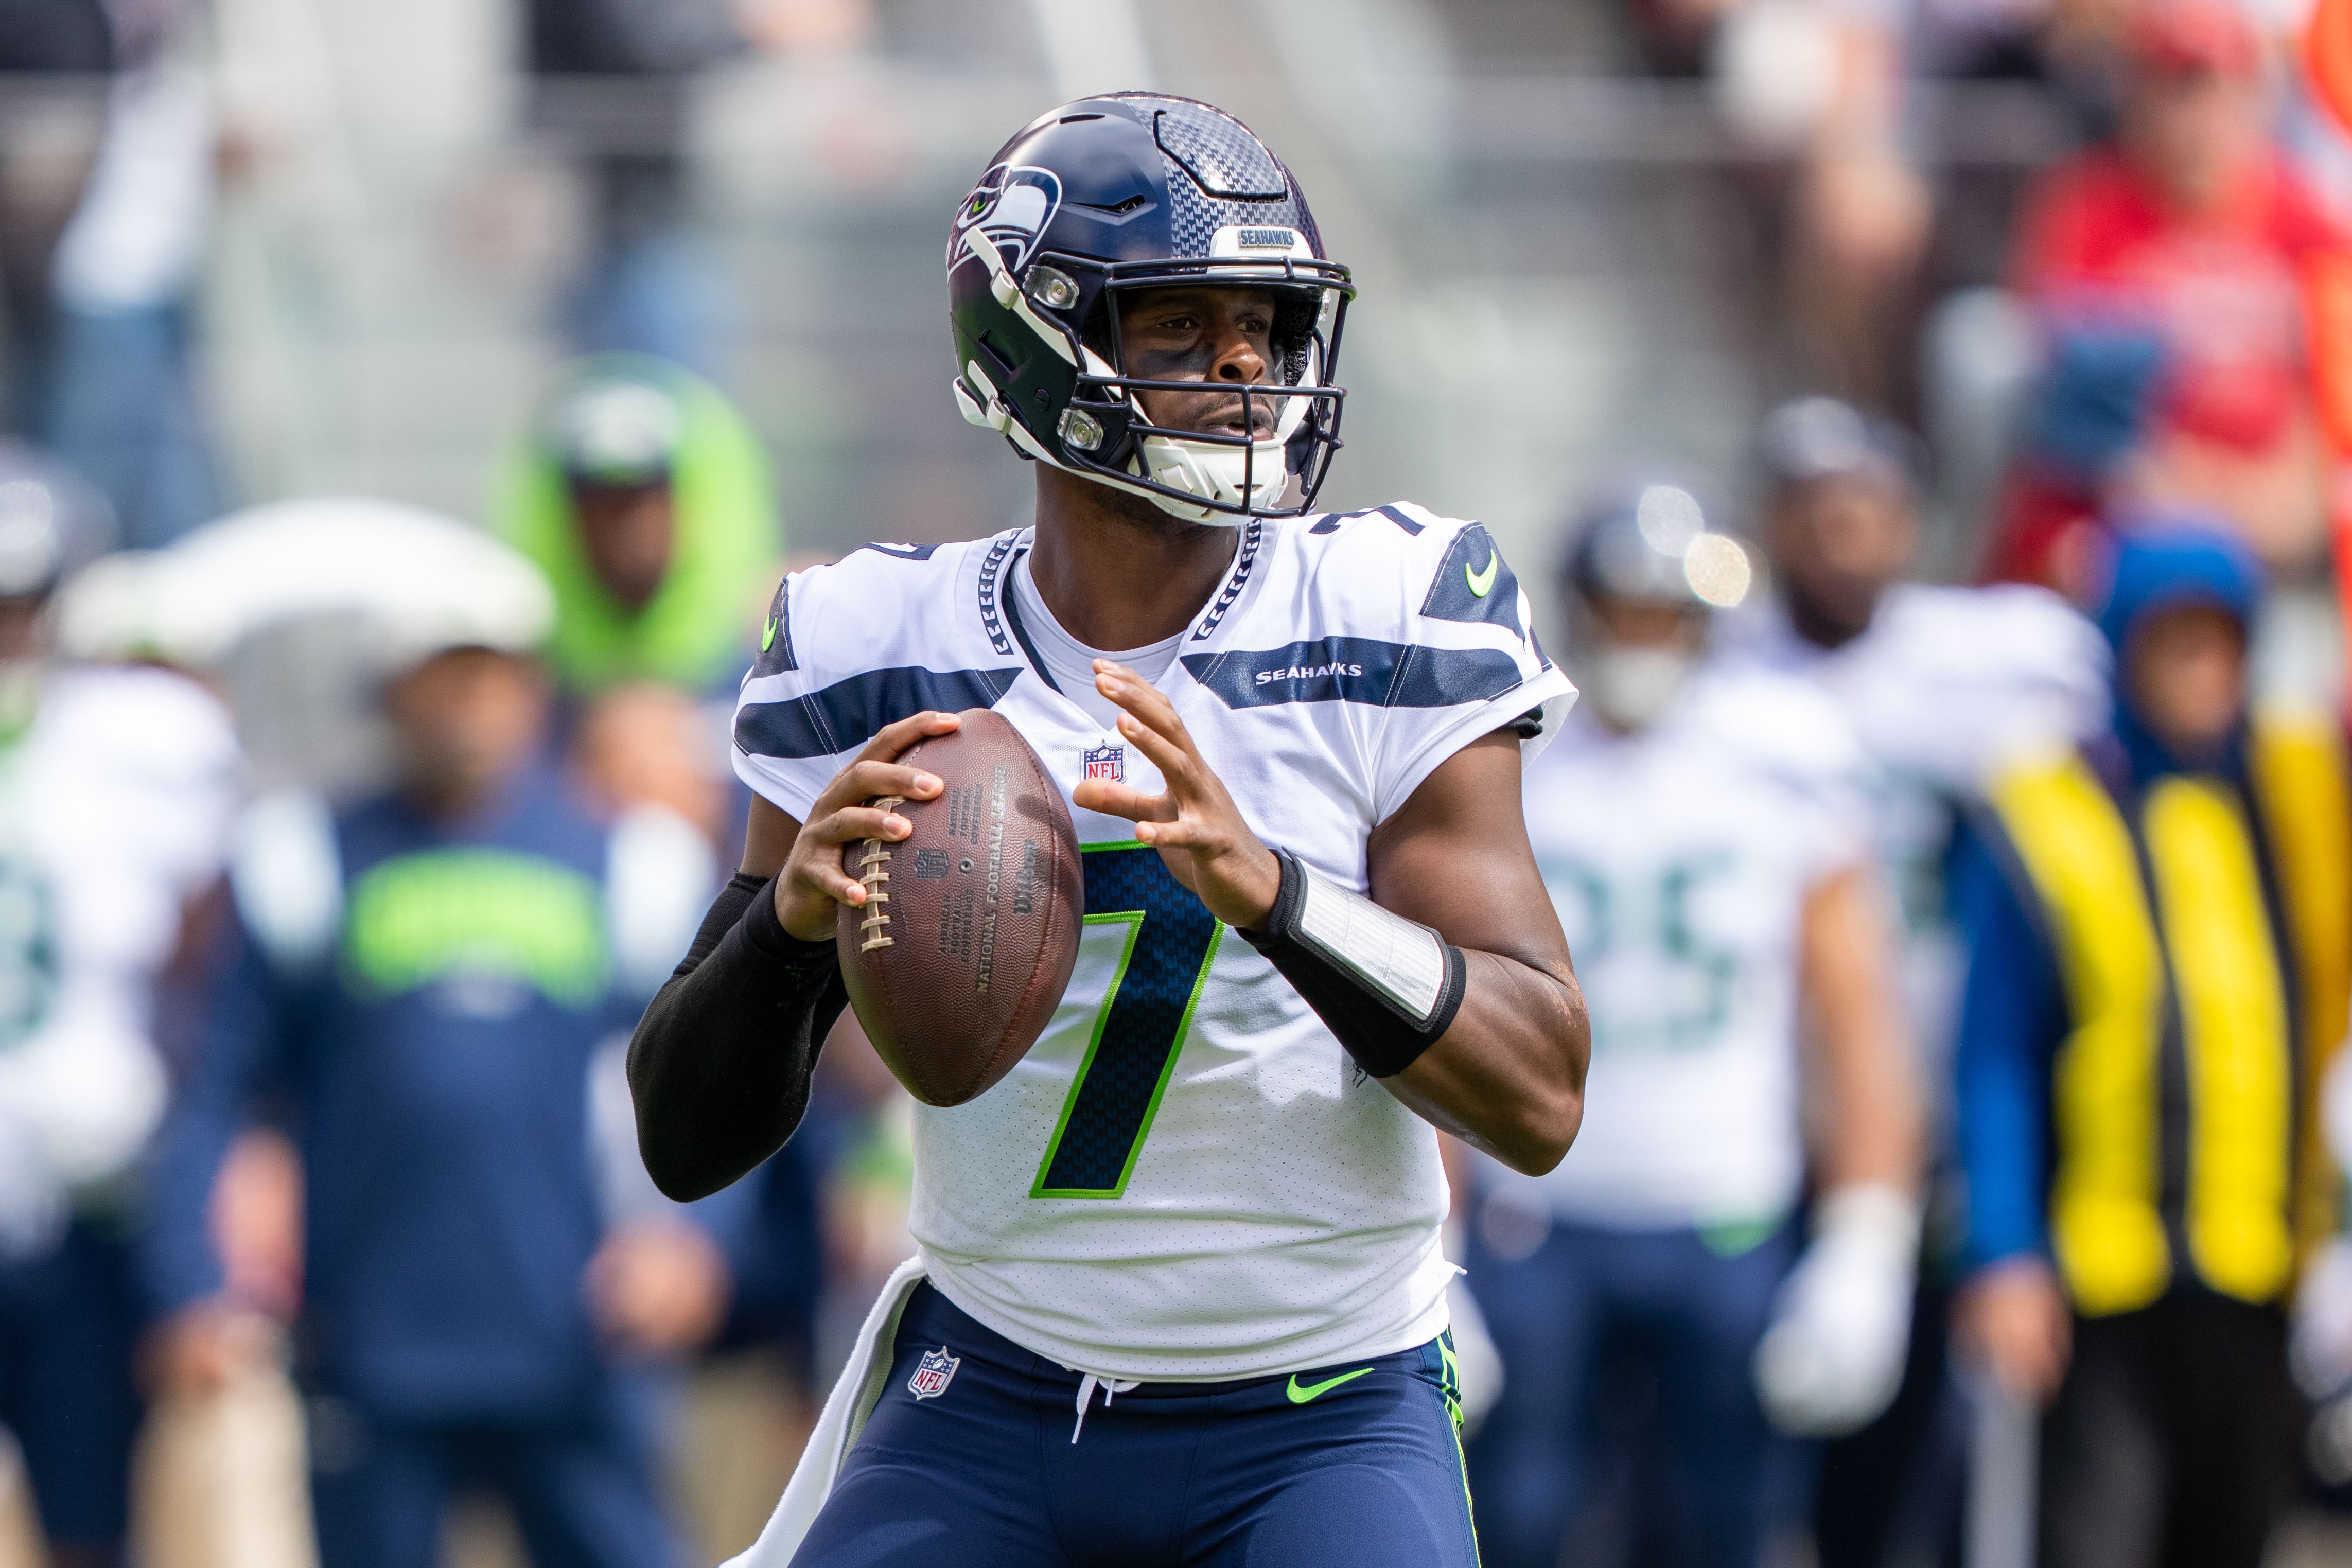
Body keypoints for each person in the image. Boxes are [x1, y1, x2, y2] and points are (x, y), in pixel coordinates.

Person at [627, 93, 1589, 1568]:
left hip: (1320, 1409)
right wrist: (785, 933)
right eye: (1180, 322)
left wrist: (1275, 893)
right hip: (990, 1387)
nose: (1243, 364)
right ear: (1029, 342)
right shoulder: (871, 640)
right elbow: (686, 1141)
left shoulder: (1386, 607)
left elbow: (1537, 1093)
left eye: (1264, 322)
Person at [141, 530, 736, 1568]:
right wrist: (191, 1280)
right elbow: (212, 1091)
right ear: (389, 689)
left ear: (532, 685)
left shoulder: (631, 863)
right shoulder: (304, 859)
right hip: (372, 1346)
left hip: (577, 1339)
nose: (467, 700)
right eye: (441, 673)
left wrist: (697, 1240)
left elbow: (721, 1076)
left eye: (489, 672)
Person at [1465, 484, 1921, 1568]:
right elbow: (1446, 1003)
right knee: (1519, 1518)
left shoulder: (1780, 758)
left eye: (1663, 610)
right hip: (1539, 1213)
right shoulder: (1509, 759)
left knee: (1722, 1523)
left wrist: (1868, 1231)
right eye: (1621, 607)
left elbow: (1853, 1015)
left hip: (1727, 1205)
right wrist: (1429, 1241)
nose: (1641, 636)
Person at [1728, 397, 2108, 1568]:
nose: (1842, 536)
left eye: (1866, 510)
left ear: (1908, 522)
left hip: (1940, 1110)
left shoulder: (1990, 663)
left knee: (1928, 1470)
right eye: (1816, 511)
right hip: (1766, 1120)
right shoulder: (1723, 674)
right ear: (1770, 522)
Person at [1951, 523, 2349, 1568]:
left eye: (2220, 645)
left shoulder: (2298, 789)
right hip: (2104, 1273)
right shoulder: (2046, 808)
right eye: (2174, 645)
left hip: (2260, 1261)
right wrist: (2002, 1249)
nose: (2201, 673)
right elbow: (1992, 1050)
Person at [0, 442, 239, 1568]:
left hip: (94, 1199)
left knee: (91, 1524)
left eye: (18, 603)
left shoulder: (140, 739)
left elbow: (209, 965)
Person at [1987, 0, 2352, 586]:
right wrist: (2209, 505)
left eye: (2213, 89)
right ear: (2135, 99)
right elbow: (2089, 422)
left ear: (2254, 95)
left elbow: (2333, 393)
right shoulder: (2087, 215)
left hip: (2282, 526)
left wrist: (2293, 497)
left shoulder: (2307, 219)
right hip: (2124, 521)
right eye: (2172, 90)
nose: (2195, 116)